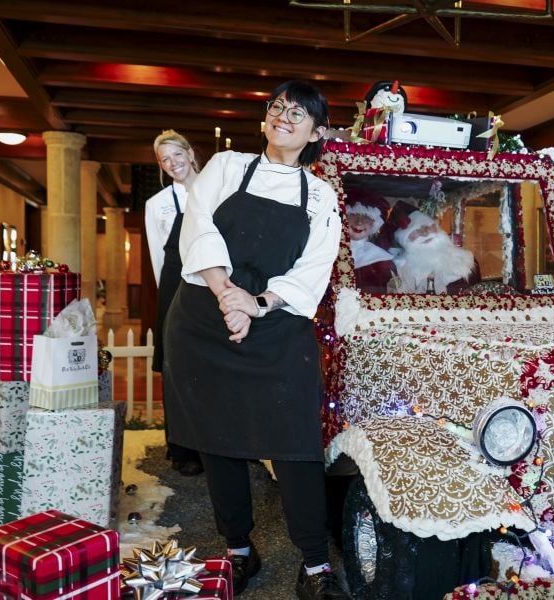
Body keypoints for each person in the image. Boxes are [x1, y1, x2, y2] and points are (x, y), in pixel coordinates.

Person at [162, 81, 349, 599]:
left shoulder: (321, 196)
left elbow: (313, 269)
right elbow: (198, 229)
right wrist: (229, 296)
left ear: (317, 131)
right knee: (218, 438)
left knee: (295, 446)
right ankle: (238, 551)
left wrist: (257, 304)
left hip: (276, 325)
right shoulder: (226, 166)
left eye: (299, 112)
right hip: (205, 316)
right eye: (277, 107)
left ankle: (315, 565)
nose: (283, 116)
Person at [144, 129, 204, 477]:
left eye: (176, 155)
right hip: (176, 288)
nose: (172, 164)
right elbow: (157, 257)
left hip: (212, 285)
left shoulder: (218, 191)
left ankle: (217, 442)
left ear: (190, 153)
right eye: (164, 160)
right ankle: (182, 448)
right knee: (178, 369)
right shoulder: (157, 205)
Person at [392, 208, 480, 294]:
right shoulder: (399, 268)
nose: (425, 233)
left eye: (428, 226)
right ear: (406, 240)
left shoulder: (464, 261)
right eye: (416, 230)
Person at [345, 189, 396, 293]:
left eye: (366, 217)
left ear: (375, 223)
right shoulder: (327, 250)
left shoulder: (383, 260)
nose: (359, 222)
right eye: (354, 215)